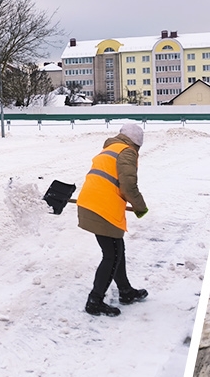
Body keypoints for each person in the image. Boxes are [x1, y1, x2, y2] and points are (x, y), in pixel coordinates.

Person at [76, 123, 149, 317]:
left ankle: (125, 291)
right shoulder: (127, 152)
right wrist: (140, 207)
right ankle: (95, 301)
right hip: (102, 208)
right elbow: (128, 185)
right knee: (112, 255)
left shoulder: (110, 148)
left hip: (91, 202)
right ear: (137, 143)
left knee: (116, 250)